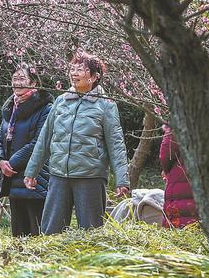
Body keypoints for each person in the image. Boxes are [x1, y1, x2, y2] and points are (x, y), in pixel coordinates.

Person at [24, 51, 130, 233]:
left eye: (80, 70)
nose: (74, 73)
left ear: (95, 76)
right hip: (59, 174)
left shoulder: (106, 105)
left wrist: (122, 179)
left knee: (91, 232)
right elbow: (45, 138)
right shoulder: (61, 101)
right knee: (51, 231)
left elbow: (116, 143)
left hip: (90, 176)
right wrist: (31, 171)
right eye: (72, 69)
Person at [0, 65, 53, 236]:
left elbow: (39, 142)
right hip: (11, 177)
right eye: (14, 79)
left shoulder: (45, 108)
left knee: (38, 231)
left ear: (33, 82)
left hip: (35, 175)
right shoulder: (10, 109)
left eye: (22, 79)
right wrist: (0, 161)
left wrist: (10, 164)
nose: (17, 83)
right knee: (18, 233)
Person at [160, 124, 198, 228]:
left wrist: (167, 170)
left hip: (182, 177)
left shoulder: (180, 115)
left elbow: (167, 153)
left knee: (180, 229)